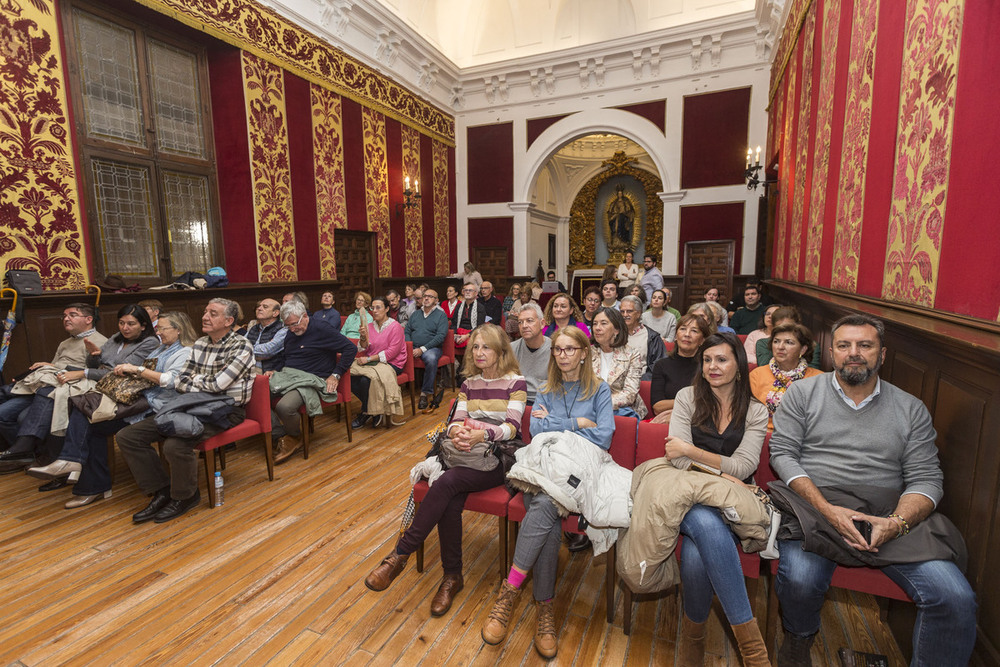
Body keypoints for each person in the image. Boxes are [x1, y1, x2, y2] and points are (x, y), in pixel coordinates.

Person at [769, 314, 976, 667]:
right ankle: (799, 637)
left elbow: (927, 478)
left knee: (955, 597)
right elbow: (783, 453)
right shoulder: (802, 394)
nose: (854, 353)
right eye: (845, 345)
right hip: (816, 507)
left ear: (881, 355)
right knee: (801, 580)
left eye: (865, 345)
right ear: (831, 352)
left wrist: (895, 523)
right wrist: (826, 508)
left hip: (887, 513)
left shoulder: (910, 408)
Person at [364, 324, 527, 616]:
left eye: (486, 347)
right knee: (449, 495)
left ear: (501, 350)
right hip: (464, 453)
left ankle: (400, 555)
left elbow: (511, 428)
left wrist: (480, 433)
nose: (479, 352)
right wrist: (457, 433)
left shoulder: (516, 382)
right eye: (475, 347)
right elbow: (454, 419)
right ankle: (451, 577)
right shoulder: (468, 383)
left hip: (497, 458)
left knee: (447, 482)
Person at [482, 326, 613, 658]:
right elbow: (535, 430)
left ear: (584, 353)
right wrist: (579, 424)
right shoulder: (546, 387)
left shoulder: (599, 391)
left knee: (542, 506)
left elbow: (604, 437)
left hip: (579, 476)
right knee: (546, 509)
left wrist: (557, 422)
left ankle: (509, 594)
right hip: (541, 470)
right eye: (558, 350)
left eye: (570, 350)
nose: (563, 355)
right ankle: (545, 610)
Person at [643, 331, 770, 666]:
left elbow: (744, 467)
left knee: (699, 549)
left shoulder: (754, 411)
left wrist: (693, 452)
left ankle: (694, 640)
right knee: (702, 520)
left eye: (722, 359)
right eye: (708, 359)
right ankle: (754, 654)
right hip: (684, 492)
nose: (713, 367)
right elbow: (678, 460)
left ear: (738, 366)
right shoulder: (688, 397)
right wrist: (723, 473)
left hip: (730, 503)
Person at [27, 312, 197, 508]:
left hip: (157, 404)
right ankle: (84, 476)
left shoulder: (185, 352)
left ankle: (80, 471)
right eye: (157, 328)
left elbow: (172, 381)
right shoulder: (160, 348)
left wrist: (137, 370)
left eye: (162, 328)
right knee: (87, 416)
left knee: (92, 418)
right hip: (138, 399)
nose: (158, 332)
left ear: (179, 330)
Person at [116, 298, 254, 524]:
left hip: (225, 409)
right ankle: (161, 490)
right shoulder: (200, 344)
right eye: (205, 311)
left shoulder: (241, 345)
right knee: (128, 436)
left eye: (213, 313)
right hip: (190, 404)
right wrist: (200, 382)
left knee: (175, 444)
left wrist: (196, 381)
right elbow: (180, 382)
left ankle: (186, 496)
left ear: (229, 321)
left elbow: (219, 386)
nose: (205, 316)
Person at [2, 305, 159, 472]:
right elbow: (98, 364)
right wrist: (94, 356)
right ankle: (45, 457)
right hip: (98, 381)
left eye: (131, 324)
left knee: (56, 397)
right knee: (48, 393)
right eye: (121, 323)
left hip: (119, 389)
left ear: (143, 326)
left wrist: (82, 372)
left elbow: (121, 371)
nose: (125, 328)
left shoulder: (150, 342)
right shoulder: (116, 338)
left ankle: (45, 455)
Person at [0, 303, 107, 458]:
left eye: (72, 315)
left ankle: (29, 451)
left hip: (65, 387)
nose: (66, 319)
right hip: (46, 385)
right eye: (64, 316)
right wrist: (48, 365)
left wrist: (55, 366)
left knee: (23, 416)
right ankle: (27, 453)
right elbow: (54, 368)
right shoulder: (65, 343)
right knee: (2, 414)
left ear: (88, 319)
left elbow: (95, 373)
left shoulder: (99, 341)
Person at [268, 300, 357, 464]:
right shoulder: (291, 333)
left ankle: (294, 436)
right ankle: (281, 435)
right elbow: (286, 357)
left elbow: (350, 349)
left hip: (312, 378)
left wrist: (336, 374)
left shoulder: (321, 328)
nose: (293, 329)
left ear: (304, 316)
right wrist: (275, 370)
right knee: (256, 395)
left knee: (284, 407)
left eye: (295, 324)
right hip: (289, 375)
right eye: (288, 326)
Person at [749, 323, 822, 430]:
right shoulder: (757, 375)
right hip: (764, 434)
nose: (780, 347)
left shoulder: (818, 379)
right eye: (776, 341)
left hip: (804, 438)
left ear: (803, 349)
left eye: (789, 342)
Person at [350, 296, 406, 429]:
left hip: (393, 363)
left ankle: (366, 411)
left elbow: (392, 352)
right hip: (373, 363)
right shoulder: (369, 326)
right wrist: (363, 337)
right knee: (349, 375)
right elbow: (364, 347)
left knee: (365, 380)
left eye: (378, 307)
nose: (374, 311)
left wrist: (368, 359)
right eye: (372, 308)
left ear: (387, 309)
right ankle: (374, 411)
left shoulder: (395, 326)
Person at [649, 313, 711, 424]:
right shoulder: (662, 365)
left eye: (694, 331)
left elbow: (709, 403)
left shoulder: (708, 367)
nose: (687, 334)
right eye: (683, 329)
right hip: (666, 422)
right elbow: (657, 406)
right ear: (676, 336)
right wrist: (692, 402)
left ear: (702, 340)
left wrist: (676, 413)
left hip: (700, 423)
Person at [590, 307, 645, 419]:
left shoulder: (632, 354)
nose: (597, 328)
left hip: (621, 411)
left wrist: (599, 404)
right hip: (590, 410)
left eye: (603, 323)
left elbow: (629, 394)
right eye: (595, 324)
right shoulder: (586, 353)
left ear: (616, 330)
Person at [405, 288, 449, 411]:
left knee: (431, 358)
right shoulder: (416, 314)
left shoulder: (441, 315)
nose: (426, 298)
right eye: (425, 296)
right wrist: (409, 345)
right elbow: (407, 331)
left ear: (436, 301)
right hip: (413, 346)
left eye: (430, 296)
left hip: (432, 348)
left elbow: (440, 336)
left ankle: (425, 393)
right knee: (397, 354)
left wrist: (422, 349)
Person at [755, 306, 821, 369]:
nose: (785, 331)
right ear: (773, 327)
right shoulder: (763, 344)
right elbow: (765, 369)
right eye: (780, 328)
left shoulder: (811, 344)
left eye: (789, 327)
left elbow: (813, 372)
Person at [510, 303, 551, 404]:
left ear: (542, 323)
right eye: (520, 322)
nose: (524, 326)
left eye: (529, 321)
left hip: (546, 401)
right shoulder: (511, 349)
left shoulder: (555, 349)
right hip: (517, 400)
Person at [619, 295, 665, 381]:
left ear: (638, 313)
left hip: (642, 381)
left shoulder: (652, 337)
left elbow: (658, 365)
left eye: (629, 311)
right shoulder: (615, 334)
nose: (625, 315)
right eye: (622, 311)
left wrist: (642, 380)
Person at [245, 298, 287, 373]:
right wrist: (258, 355)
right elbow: (239, 345)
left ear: (275, 313)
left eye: (265, 307)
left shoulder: (282, 329)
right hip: (247, 367)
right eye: (259, 306)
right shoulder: (254, 328)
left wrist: (246, 351)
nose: (259, 308)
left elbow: (267, 351)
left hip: (267, 371)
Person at [451, 283, 483, 348]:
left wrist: (467, 336)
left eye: (470, 290)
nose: (468, 292)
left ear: (476, 293)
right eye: (466, 290)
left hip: (472, 333)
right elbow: (454, 323)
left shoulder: (480, 307)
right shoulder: (458, 306)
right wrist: (454, 334)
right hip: (458, 332)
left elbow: (480, 326)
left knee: (472, 343)